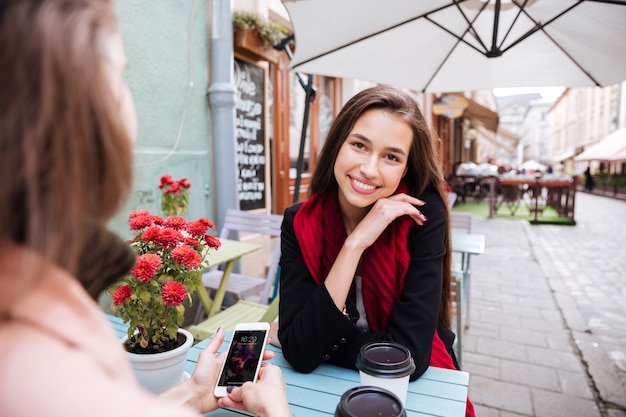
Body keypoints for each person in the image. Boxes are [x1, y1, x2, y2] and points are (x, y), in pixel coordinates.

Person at [0, 1, 289, 417]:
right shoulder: (40, 368)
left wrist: (192, 395)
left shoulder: (36, 294)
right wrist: (277, 413)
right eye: (119, 75)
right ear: (73, 109)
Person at [277, 85, 475, 416]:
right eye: (359, 145)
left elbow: (412, 355)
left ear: (406, 169)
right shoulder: (298, 222)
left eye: (391, 157)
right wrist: (355, 244)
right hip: (318, 392)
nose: (370, 169)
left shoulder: (423, 218)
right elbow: (298, 352)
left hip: (413, 396)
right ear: (338, 145)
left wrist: (319, 339)